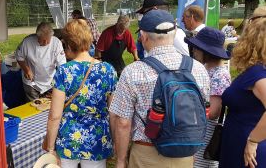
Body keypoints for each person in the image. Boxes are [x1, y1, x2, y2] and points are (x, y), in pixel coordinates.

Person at [109, 10, 210, 168]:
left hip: (145, 154)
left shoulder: (133, 72)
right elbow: (202, 113)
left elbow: (123, 122)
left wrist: (121, 160)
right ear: (175, 32)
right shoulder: (198, 69)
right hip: (184, 152)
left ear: (144, 37)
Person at [45, 19, 117, 168]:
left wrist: (51, 148)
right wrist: (116, 141)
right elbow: (114, 113)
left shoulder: (64, 71)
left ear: (69, 45)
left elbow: (55, 116)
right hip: (97, 139)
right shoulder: (108, 70)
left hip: (68, 140)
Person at [219, 7, 266, 168]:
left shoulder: (258, 73)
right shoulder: (257, 70)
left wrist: (253, 141)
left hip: (248, 147)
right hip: (241, 141)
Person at [184, 27, 231, 168]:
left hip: (206, 133)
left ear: (207, 51)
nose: (194, 50)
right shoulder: (203, 69)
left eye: (197, 48)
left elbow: (213, 113)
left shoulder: (220, 75)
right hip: (196, 129)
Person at [16, 22, 66, 101]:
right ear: (37, 36)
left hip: (50, 81)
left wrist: (60, 79)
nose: (45, 43)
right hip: (31, 83)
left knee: (49, 105)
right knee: (32, 106)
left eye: (48, 40)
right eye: (42, 40)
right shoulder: (27, 42)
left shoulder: (56, 43)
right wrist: (26, 70)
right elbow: (19, 57)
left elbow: (62, 64)